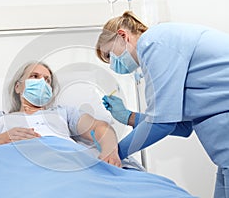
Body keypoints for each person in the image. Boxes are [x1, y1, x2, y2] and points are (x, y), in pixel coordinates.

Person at [95, 10, 229, 197]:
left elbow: (161, 123)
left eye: (109, 55)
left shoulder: (153, 42)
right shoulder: (158, 50)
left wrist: (114, 151)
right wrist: (128, 116)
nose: (112, 65)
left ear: (122, 35)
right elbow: (181, 127)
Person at [0, 61, 122, 168]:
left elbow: (99, 127)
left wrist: (110, 151)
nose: (42, 82)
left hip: (60, 161)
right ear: (18, 87)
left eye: (47, 80)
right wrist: (1, 139)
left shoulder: (63, 112)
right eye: (34, 76)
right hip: (10, 163)